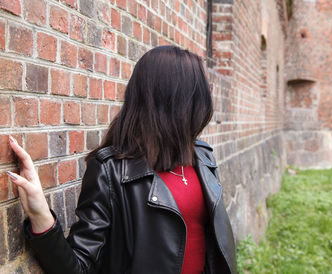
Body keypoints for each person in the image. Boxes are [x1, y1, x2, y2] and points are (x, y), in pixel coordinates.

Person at [6, 46, 237, 274]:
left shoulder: (203, 158)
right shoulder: (111, 171)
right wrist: (41, 217)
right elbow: (80, 266)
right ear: (178, 100)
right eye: (203, 89)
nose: (209, 95)